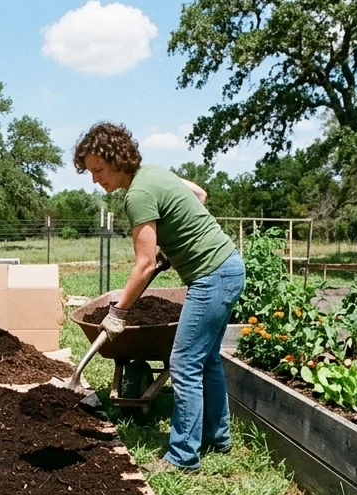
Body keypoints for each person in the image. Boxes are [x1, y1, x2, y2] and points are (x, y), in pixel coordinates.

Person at [73, 122, 245, 471]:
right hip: (229, 267)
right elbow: (199, 195)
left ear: (115, 159)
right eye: (90, 173)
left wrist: (118, 312)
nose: (95, 180)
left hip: (211, 277)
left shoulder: (137, 196)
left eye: (98, 170)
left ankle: (183, 457)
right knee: (207, 359)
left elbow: (145, 264)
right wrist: (178, 241)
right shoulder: (154, 173)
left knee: (183, 363)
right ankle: (218, 439)